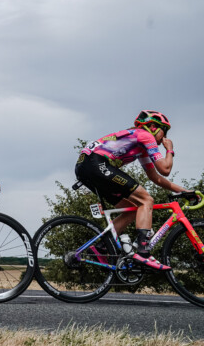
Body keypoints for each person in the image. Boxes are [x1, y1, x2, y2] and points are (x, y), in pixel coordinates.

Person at [75, 110, 188, 270]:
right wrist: (170, 149)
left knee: (131, 210)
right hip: (97, 163)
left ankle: (101, 248)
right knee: (146, 200)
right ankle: (143, 252)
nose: (164, 138)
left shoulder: (138, 141)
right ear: (154, 126)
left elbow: (155, 177)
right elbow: (165, 169)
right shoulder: (145, 136)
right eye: (165, 131)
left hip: (86, 166)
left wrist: (184, 191)